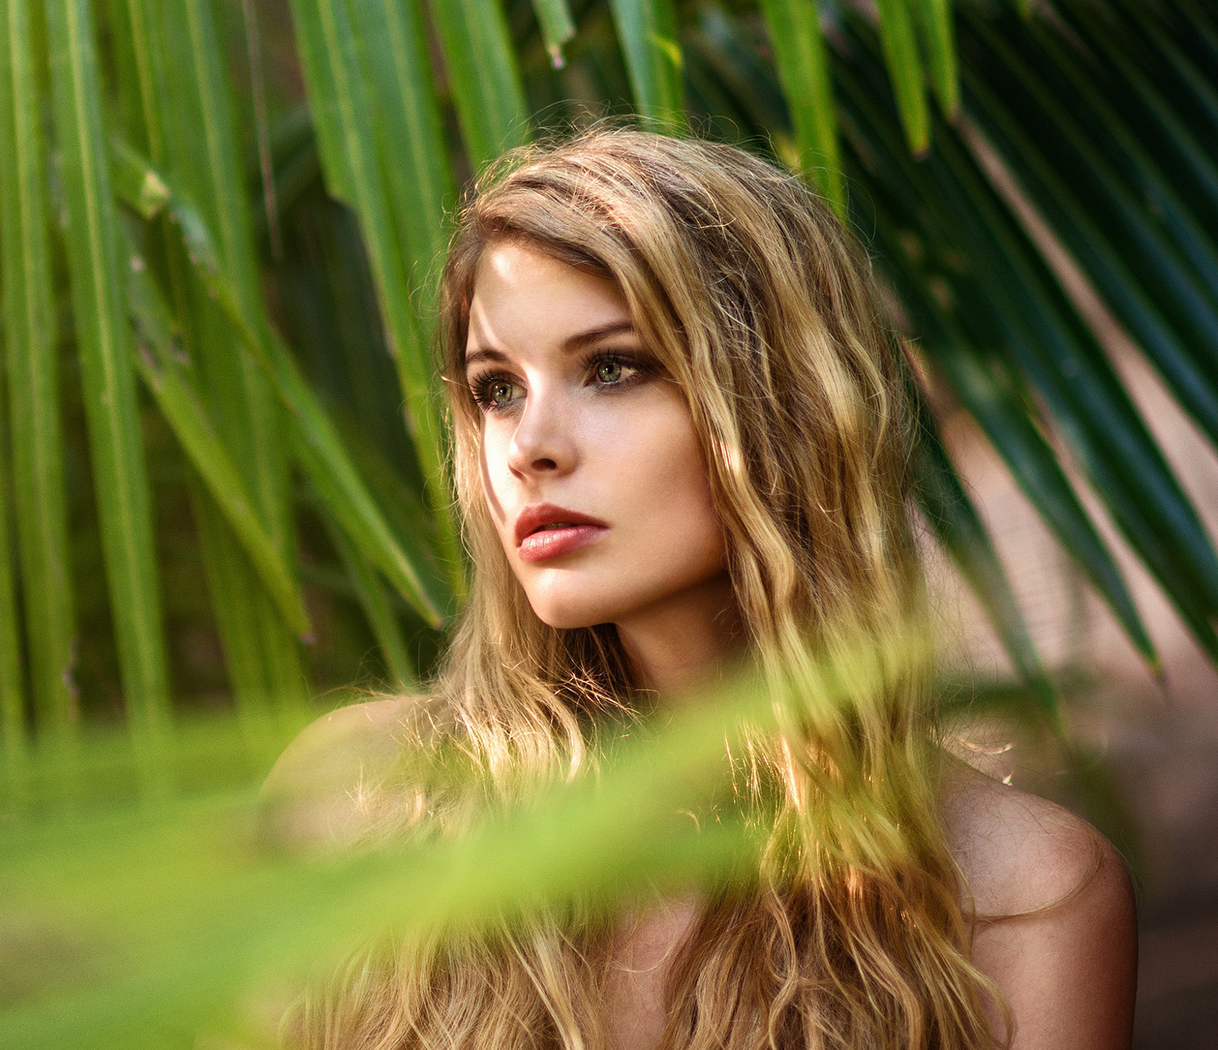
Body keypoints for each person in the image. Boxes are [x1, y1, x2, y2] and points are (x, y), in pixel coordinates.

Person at [261, 128, 1137, 1050]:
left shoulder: (1021, 895)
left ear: (781, 404)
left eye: (612, 369)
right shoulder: (358, 804)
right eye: (497, 389)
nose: (530, 448)